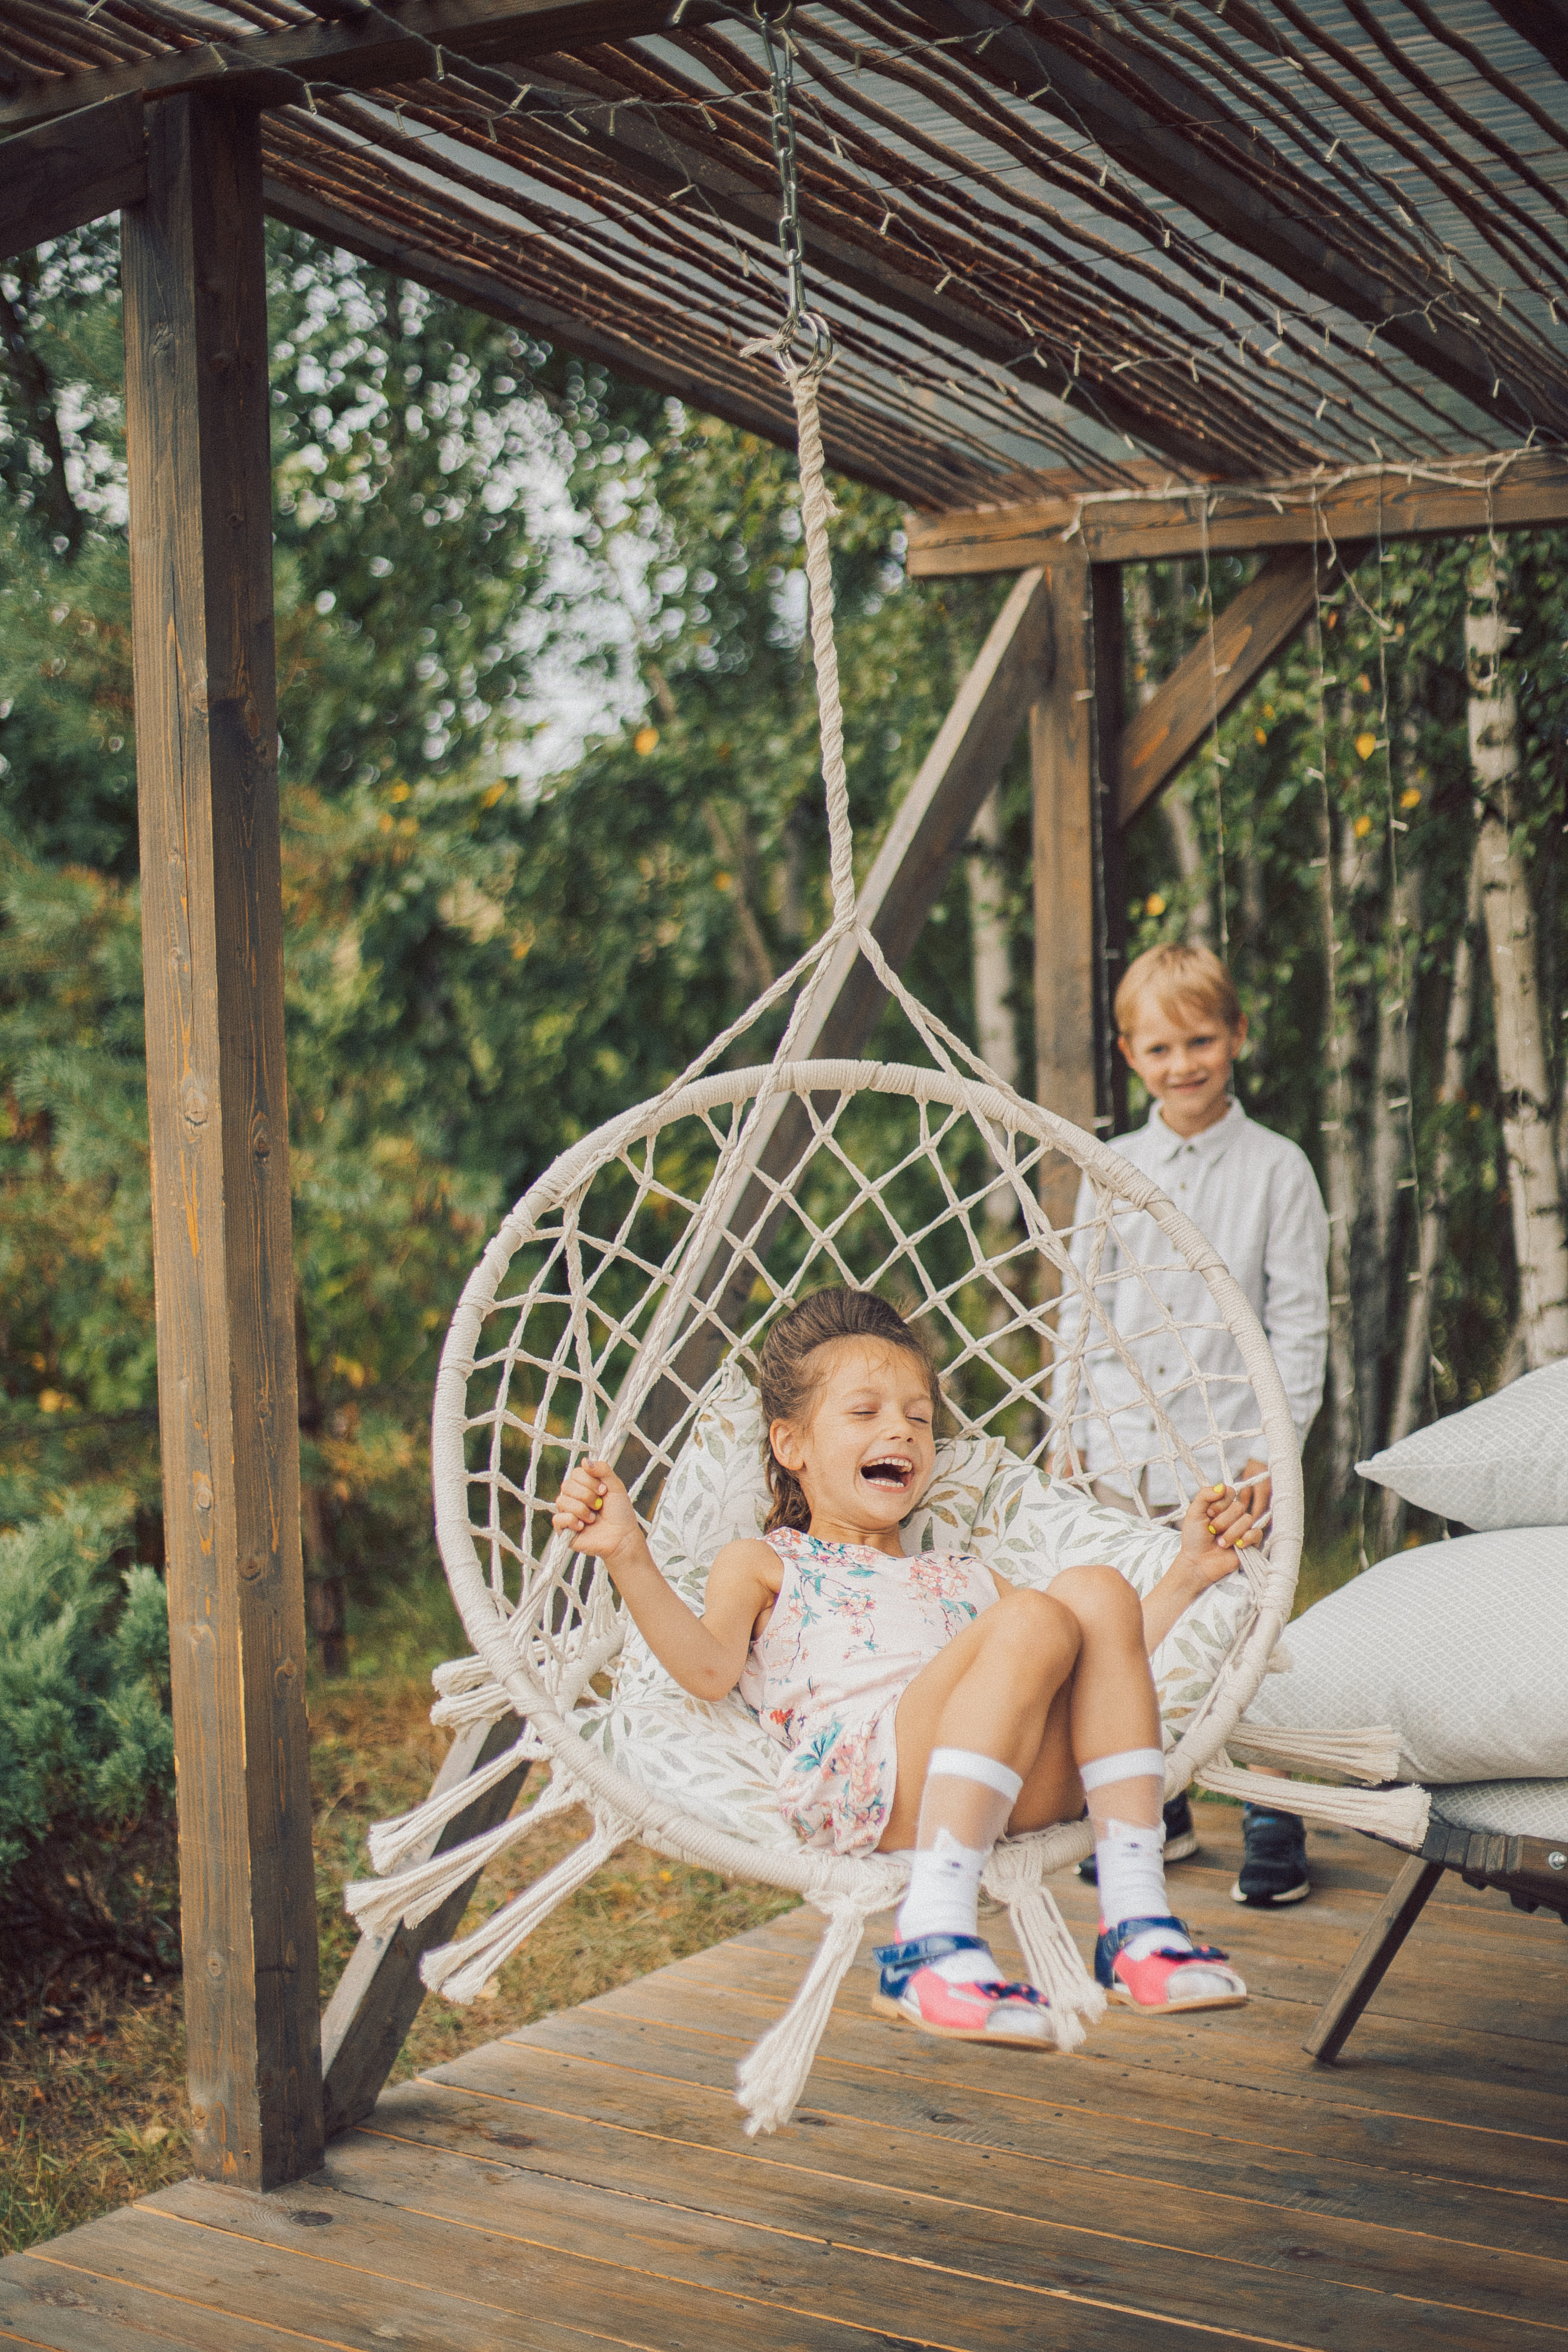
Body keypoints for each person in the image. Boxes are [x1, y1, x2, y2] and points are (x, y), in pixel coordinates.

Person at [553, 1284, 1253, 2049]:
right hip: (875, 1784)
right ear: (791, 1446)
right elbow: (707, 1671)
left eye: (919, 1418)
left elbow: (1106, 1664)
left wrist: (1186, 1574)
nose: (904, 1431)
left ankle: (1134, 1918)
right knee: (1038, 1615)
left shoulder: (963, 1572)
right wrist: (627, 1554)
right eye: (865, 1413)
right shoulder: (767, 1563)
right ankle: (930, 1933)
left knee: (1096, 1589)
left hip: (1015, 1785)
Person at [1055, 943, 1329, 1909]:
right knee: (1137, 1630)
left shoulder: (1277, 1170)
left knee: (1246, 1628)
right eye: (1161, 1048)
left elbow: (1299, 1319)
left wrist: (1274, 1448)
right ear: (1132, 1056)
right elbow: (1083, 1308)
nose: (1184, 1065)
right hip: (1127, 1448)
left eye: (1201, 1041)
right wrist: (1069, 1431)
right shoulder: (1113, 1169)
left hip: (1229, 1449)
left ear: (1237, 1037)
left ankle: (1273, 1810)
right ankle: (1155, 1806)